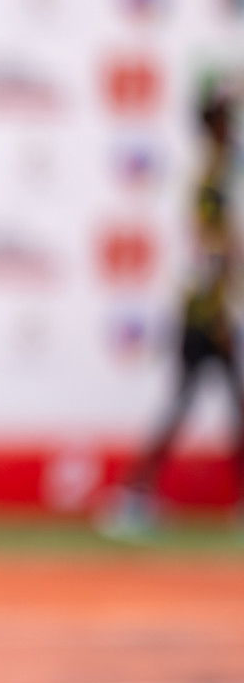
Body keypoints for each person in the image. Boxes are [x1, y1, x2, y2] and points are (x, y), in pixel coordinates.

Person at [108, 93, 241, 534]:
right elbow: (210, 251)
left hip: (206, 309)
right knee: (190, 406)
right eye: (228, 122)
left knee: (193, 405)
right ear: (217, 127)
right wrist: (218, 314)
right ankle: (132, 495)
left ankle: (134, 494)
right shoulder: (212, 178)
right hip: (206, 313)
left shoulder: (215, 173)